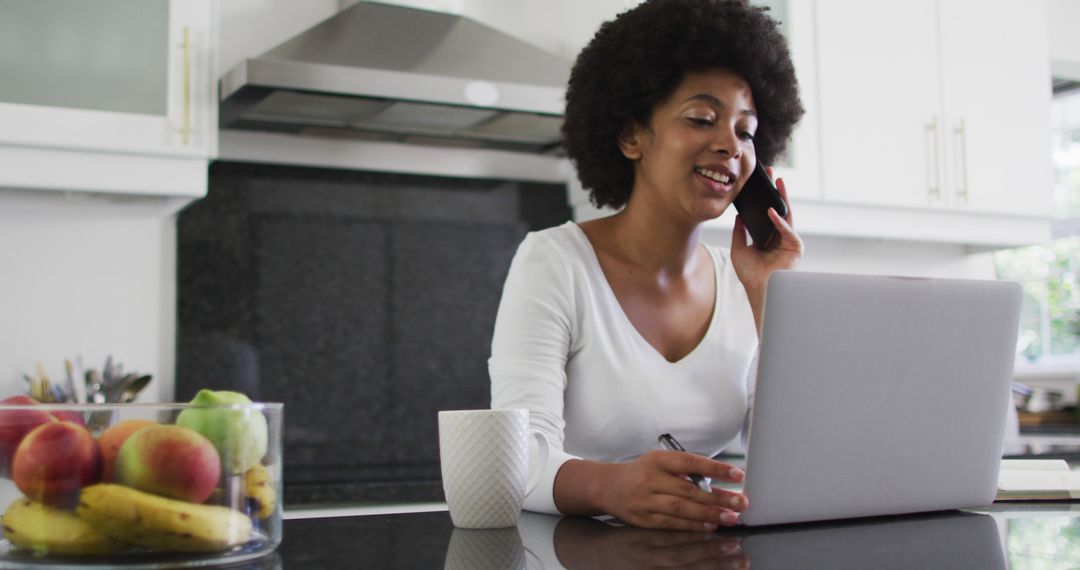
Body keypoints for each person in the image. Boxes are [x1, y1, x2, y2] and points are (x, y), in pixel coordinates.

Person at [489, 0, 805, 531]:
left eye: (747, 131)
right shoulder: (555, 261)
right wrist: (610, 487)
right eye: (702, 118)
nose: (730, 144)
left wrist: (771, 297)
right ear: (631, 136)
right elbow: (515, 458)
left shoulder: (743, 280)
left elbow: (800, 459)